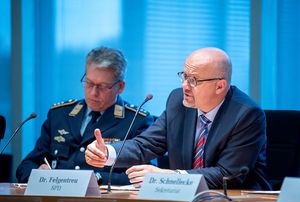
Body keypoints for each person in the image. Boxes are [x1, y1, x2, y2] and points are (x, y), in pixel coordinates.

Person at [85, 47, 272, 190]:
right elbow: (146, 144)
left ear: (220, 86)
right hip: (185, 201)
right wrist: (107, 152)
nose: (185, 86)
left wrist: (170, 177)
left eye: (194, 80)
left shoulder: (246, 114)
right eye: (184, 76)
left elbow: (228, 174)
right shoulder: (178, 102)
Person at [16, 47, 154, 185]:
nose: (93, 92)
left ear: (120, 86)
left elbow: (145, 176)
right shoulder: (60, 114)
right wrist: (37, 173)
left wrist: (98, 178)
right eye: (89, 83)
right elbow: (26, 165)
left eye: (103, 86)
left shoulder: (137, 121)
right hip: (55, 198)